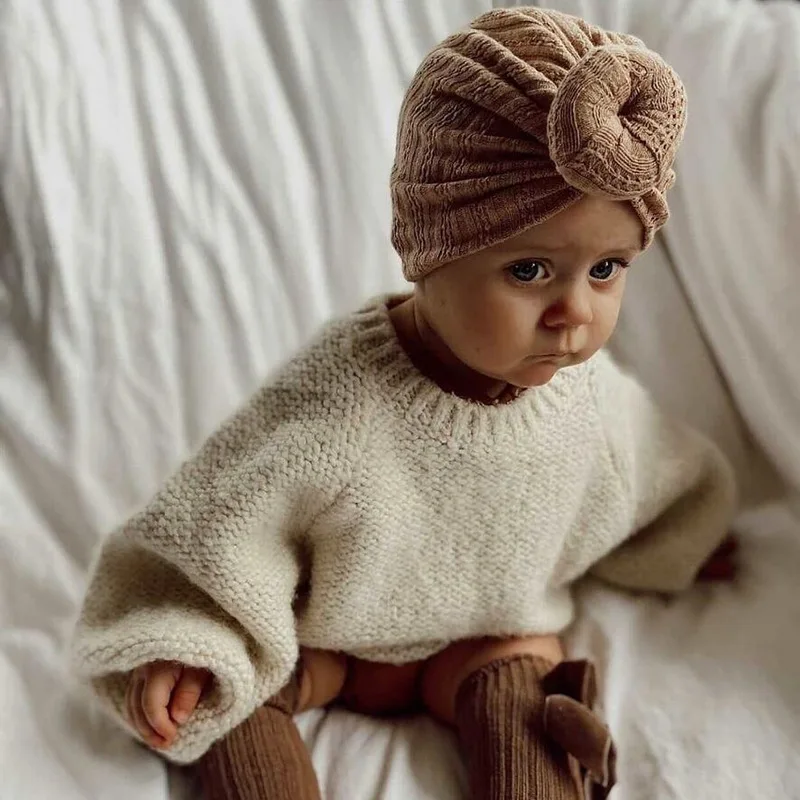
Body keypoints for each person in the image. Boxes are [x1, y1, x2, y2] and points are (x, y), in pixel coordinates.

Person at [71, 7, 738, 800]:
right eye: (529, 271)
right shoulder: (340, 403)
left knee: (529, 699)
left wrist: (687, 538)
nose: (574, 313)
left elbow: (659, 470)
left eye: (606, 270)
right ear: (431, 248)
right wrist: (186, 640)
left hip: (486, 641)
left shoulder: (588, 400)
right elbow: (219, 520)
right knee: (228, 703)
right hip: (328, 648)